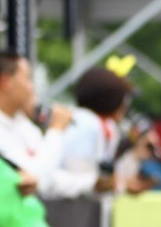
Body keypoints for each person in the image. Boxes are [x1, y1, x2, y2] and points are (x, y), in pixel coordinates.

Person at [0, 51, 98, 198]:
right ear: (6, 82)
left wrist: (93, 182)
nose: (31, 88)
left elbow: (50, 178)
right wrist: (56, 129)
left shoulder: (24, 126)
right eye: (28, 79)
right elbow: (36, 178)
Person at [58, 66, 137, 195]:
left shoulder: (105, 126)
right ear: (110, 99)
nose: (125, 105)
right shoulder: (86, 124)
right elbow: (80, 174)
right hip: (71, 203)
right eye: (122, 98)